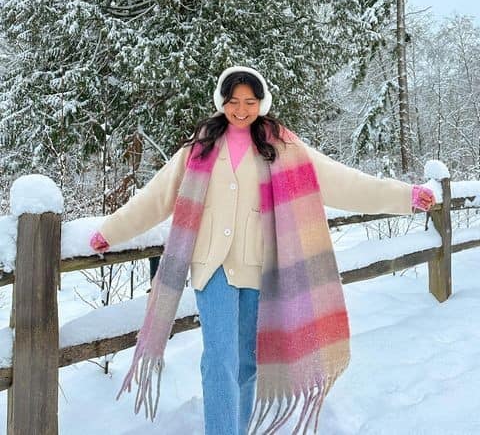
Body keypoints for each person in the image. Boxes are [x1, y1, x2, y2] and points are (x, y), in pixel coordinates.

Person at [89, 66, 435, 435]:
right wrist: (110, 231)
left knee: (247, 362)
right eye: (233, 101)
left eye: (249, 101)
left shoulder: (282, 146)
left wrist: (405, 196)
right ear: (221, 102)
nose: (241, 109)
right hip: (212, 268)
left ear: (262, 103)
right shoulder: (200, 147)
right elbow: (156, 197)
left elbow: (341, 180)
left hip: (260, 269)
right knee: (219, 359)